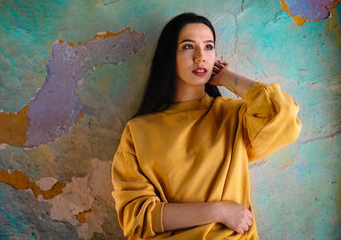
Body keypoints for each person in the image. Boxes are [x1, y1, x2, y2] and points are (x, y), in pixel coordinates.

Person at [111, 13, 301, 239]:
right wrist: (217, 211)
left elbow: (284, 115)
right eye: (188, 46)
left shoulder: (233, 115)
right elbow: (137, 218)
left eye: (208, 46)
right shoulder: (138, 130)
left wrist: (228, 78)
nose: (201, 57)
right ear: (169, 56)